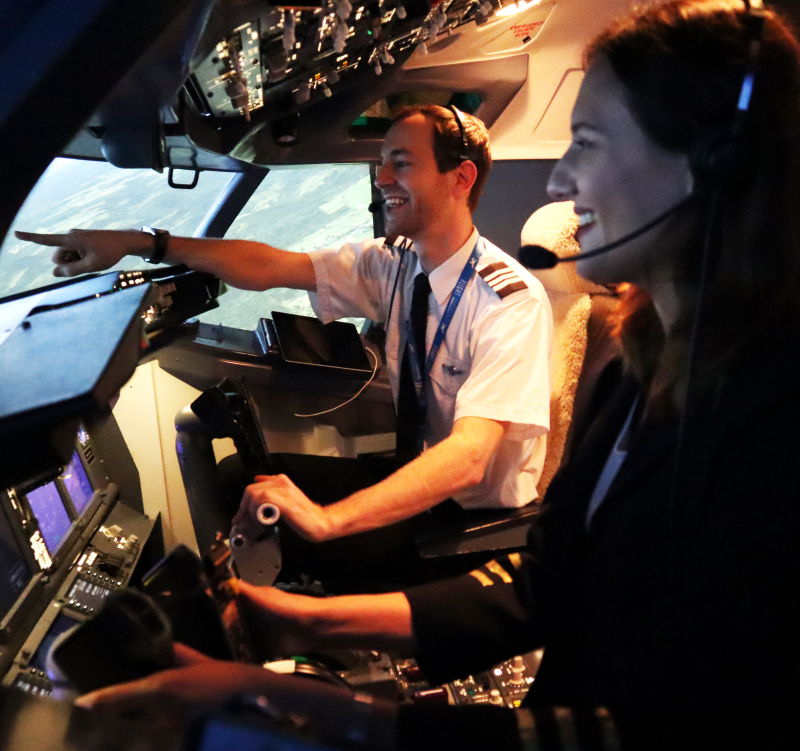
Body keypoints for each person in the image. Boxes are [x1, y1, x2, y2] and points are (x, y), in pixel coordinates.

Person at [71, 0, 800, 751]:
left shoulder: (768, 418)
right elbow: (547, 587)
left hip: (490, 552)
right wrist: (301, 622)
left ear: (713, 163)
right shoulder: (640, 363)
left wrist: (299, 702)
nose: (558, 180)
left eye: (585, 144)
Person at [16, 105, 552, 588]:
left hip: (465, 522)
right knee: (240, 483)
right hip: (412, 475)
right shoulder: (397, 263)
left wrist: (329, 520)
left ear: (460, 178)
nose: (381, 177)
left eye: (402, 163)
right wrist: (140, 243)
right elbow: (271, 266)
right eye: (382, 161)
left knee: (295, 533)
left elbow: (471, 457)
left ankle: (286, 646)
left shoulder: (509, 303)